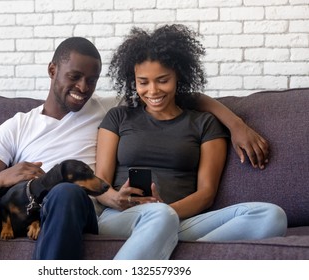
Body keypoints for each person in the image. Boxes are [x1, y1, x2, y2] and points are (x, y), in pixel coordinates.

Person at [0, 34, 274, 260]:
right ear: (52, 70)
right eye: (75, 77)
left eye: (91, 80)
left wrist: (236, 124)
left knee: (67, 192)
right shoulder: (17, 125)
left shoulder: (107, 108)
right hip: (20, 206)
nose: (84, 87)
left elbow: (178, 96)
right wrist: (3, 178)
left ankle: (158, 228)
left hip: (70, 203)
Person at [95, 24, 287, 257]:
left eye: (163, 80)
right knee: (160, 217)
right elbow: (100, 181)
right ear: (133, 81)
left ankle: (169, 248)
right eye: (143, 82)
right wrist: (115, 199)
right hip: (120, 217)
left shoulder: (204, 123)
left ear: (179, 77)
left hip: (179, 218)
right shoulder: (118, 116)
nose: (153, 90)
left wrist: (165, 211)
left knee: (271, 215)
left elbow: (206, 193)